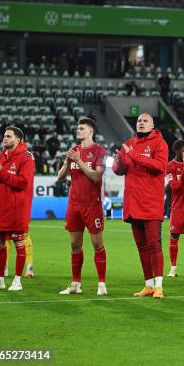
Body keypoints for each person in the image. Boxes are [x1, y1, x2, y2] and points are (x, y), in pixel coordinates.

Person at [112, 113, 168, 299]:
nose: (141, 123)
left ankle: (159, 286)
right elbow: (120, 171)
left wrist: (132, 155)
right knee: (142, 247)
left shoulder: (160, 143)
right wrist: (119, 160)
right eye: (139, 121)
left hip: (150, 203)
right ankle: (148, 285)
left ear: (152, 125)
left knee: (154, 244)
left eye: (145, 121)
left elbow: (160, 166)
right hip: (133, 203)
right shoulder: (130, 143)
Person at [57, 118, 108, 296]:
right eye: (77, 128)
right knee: (74, 244)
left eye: (81, 128)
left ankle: (101, 283)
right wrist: (66, 161)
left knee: (97, 244)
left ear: (91, 132)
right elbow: (61, 177)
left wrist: (79, 161)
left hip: (92, 205)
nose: (78, 130)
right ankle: (75, 283)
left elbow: (95, 176)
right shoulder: (74, 151)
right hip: (74, 205)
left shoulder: (100, 152)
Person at [0, 126, 34, 291]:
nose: (4, 138)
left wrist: (1, 173)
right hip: (1, 206)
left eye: (8, 136)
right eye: (4, 136)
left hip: (17, 208)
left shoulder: (26, 157)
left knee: (19, 241)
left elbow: (22, 182)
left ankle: (17, 281)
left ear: (17, 139)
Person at [166, 140, 184, 278]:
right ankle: (173, 268)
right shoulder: (170, 166)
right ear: (177, 152)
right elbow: (175, 186)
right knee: (174, 237)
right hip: (177, 207)